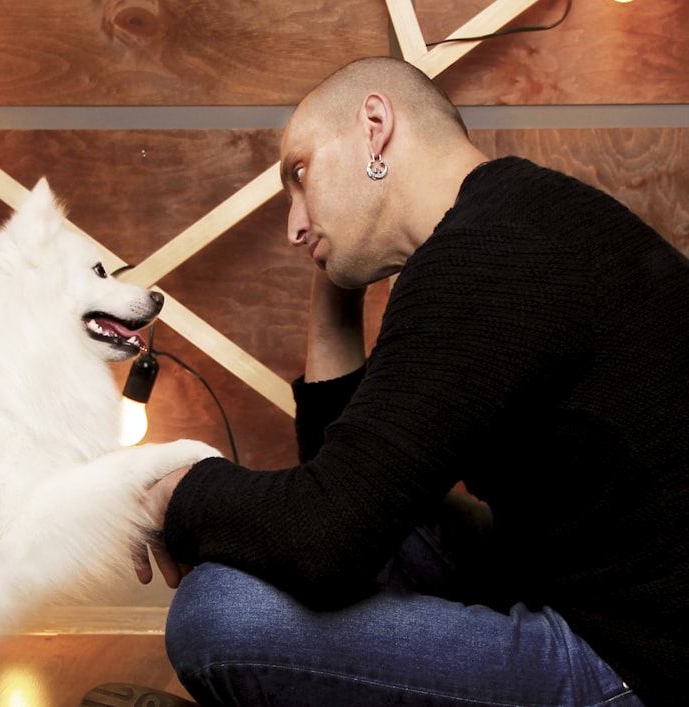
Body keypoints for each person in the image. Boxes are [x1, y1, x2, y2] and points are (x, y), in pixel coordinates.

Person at [123, 56, 689, 706]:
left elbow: (324, 536)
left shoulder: (483, 258)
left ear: (375, 127)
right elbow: (346, 481)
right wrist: (331, 268)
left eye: (301, 175)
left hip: (639, 664)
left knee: (220, 612)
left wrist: (174, 494)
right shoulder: (510, 216)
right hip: (584, 586)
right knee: (400, 521)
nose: (293, 224)